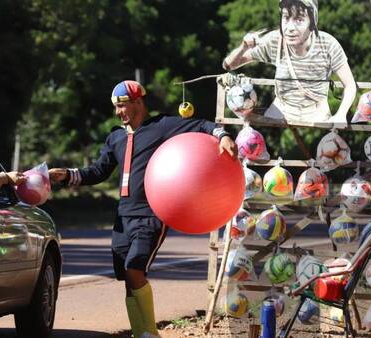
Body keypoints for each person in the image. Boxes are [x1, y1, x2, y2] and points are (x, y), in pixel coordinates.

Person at [48, 80, 237, 338]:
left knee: (135, 268)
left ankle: (150, 333)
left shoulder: (162, 127)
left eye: (123, 106)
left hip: (151, 214)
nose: (118, 112)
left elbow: (202, 124)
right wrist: (67, 175)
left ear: (138, 103)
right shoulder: (115, 137)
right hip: (123, 217)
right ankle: (140, 332)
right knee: (127, 277)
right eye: (116, 108)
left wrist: (223, 136)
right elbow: (97, 172)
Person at [222, 0, 356, 124]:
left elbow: (350, 84)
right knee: (251, 138)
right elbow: (229, 65)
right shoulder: (275, 40)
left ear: (312, 22)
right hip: (280, 113)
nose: (290, 27)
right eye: (286, 18)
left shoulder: (328, 44)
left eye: (299, 19)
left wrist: (341, 115)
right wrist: (243, 46)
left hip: (316, 114)